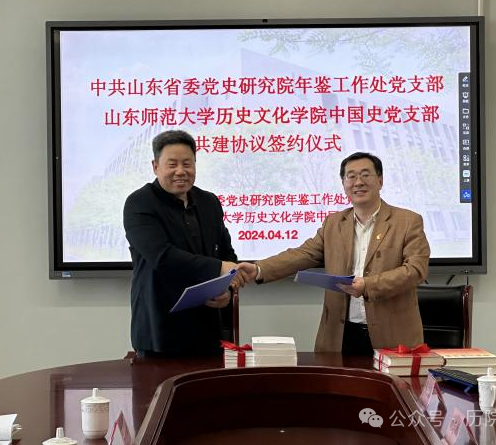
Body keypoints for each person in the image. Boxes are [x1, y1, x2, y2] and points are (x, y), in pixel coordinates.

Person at [236, 152, 430, 354]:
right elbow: (303, 254)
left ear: (380, 180)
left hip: (392, 334)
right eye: (351, 176)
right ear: (344, 184)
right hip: (341, 334)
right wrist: (259, 269)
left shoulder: (407, 221)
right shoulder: (334, 223)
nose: (358, 182)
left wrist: (368, 285)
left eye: (365, 175)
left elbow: (416, 270)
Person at [123, 130, 237, 356]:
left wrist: (226, 289)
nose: (181, 171)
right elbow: (162, 257)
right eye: (172, 164)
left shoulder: (209, 202)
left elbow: (226, 253)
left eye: (187, 164)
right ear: (155, 166)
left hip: (207, 330)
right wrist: (218, 268)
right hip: (160, 330)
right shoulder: (139, 203)